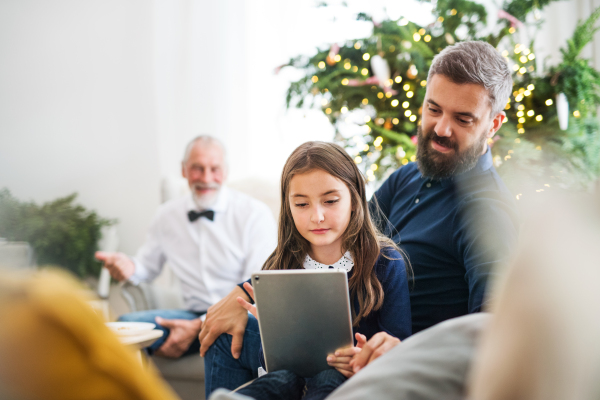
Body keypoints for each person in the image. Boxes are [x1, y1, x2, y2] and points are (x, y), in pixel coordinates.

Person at [201, 40, 520, 394]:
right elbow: (336, 235)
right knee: (220, 331)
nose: (441, 129)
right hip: (335, 336)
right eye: (434, 109)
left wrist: (404, 350)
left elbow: (495, 333)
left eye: (463, 119)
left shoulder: (488, 213)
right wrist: (241, 295)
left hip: (396, 364)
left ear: (493, 124)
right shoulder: (408, 177)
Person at [213, 141, 411, 400]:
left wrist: (363, 355)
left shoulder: (385, 262)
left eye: (330, 201)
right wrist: (273, 332)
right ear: (289, 207)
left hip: (355, 379)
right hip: (292, 376)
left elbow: (399, 346)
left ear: (354, 200)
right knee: (280, 379)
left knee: (327, 377)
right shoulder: (281, 264)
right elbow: (271, 360)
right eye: (302, 205)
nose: (317, 216)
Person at [95, 135, 276, 358]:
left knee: (224, 334)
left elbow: (256, 285)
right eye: (197, 168)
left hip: (238, 313)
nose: (206, 177)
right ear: (184, 170)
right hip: (190, 313)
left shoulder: (254, 214)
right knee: (124, 328)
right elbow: (147, 266)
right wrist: (129, 266)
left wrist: (199, 326)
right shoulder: (166, 216)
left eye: (214, 169)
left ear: (226, 172)